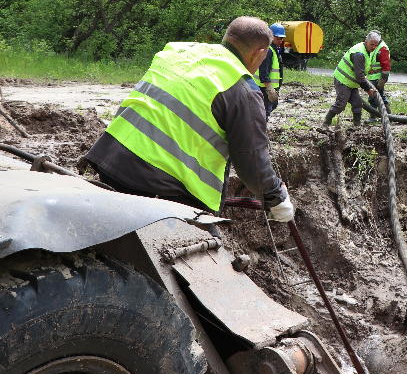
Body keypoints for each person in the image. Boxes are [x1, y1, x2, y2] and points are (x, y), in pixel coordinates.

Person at [82, 16, 294, 222]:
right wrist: (276, 197)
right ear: (258, 53)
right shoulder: (242, 89)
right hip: (160, 188)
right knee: (206, 253)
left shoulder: (178, 51)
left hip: (111, 161)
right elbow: (251, 162)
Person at [323, 31, 379, 126]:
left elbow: (360, 71)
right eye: (372, 44)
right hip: (343, 80)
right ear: (366, 42)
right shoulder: (359, 54)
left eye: (376, 45)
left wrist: (363, 75)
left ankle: (357, 126)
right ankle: (326, 122)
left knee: (357, 103)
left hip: (352, 82)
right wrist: (368, 90)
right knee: (341, 103)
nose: (373, 47)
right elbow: (360, 76)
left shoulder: (367, 51)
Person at [255, 23, 284, 123]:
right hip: (264, 88)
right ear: (271, 37)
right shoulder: (268, 51)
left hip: (270, 87)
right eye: (278, 38)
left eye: (282, 39)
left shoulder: (274, 49)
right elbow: (264, 71)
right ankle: (260, 135)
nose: (280, 41)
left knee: (272, 106)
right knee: (264, 112)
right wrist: (269, 88)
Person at [365, 33, 391, 122]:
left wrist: (383, 80)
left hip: (378, 78)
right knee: (379, 96)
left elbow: (386, 65)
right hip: (373, 76)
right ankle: (388, 115)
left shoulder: (382, 48)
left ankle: (373, 117)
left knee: (374, 97)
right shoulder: (377, 47)